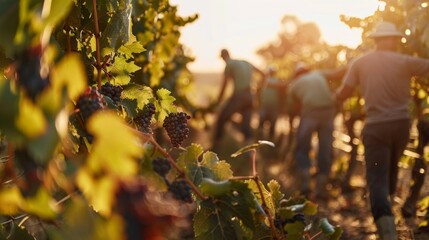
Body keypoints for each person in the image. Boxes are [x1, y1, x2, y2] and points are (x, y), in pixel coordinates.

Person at [335, 21, 429, 240]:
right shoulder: (405, 62)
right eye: (394, 39)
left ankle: (387, 232)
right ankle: (387, 217)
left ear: (377, 40)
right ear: (388, 40)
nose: (396, 42)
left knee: (376, 177)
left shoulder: (360, 63)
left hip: (376, 127)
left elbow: (344, 92)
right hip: (401, 126)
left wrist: (335, 97)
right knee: (390, 173)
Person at [287, 62, 345, 200]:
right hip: (328, 111)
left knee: (303, 147)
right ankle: (320, 187)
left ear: (296, 74)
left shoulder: (294, 84)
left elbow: (293, 108)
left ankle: (306, 183)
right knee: (325, 148)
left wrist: (293, 127)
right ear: (307, 70)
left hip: (310, 112)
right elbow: (337, 73)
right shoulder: (318, 74)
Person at [213, 49, 265, 145]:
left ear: (224, 57)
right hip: (250, 96)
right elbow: (263, 74)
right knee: (246, 125)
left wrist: (218, 100)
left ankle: (216, 145)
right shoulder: (245, 62)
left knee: (222, 118)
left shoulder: (229, 64)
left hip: (239, 95)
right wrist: (259, 90)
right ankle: (250, 153)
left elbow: (225, 84)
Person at [257, 66, 283, 140]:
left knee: (262, 123)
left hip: (267, 105)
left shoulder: (264, 80)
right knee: (272, 125)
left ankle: (260, 140)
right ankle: (269, 141)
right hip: (272, 106)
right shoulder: (278, 81)